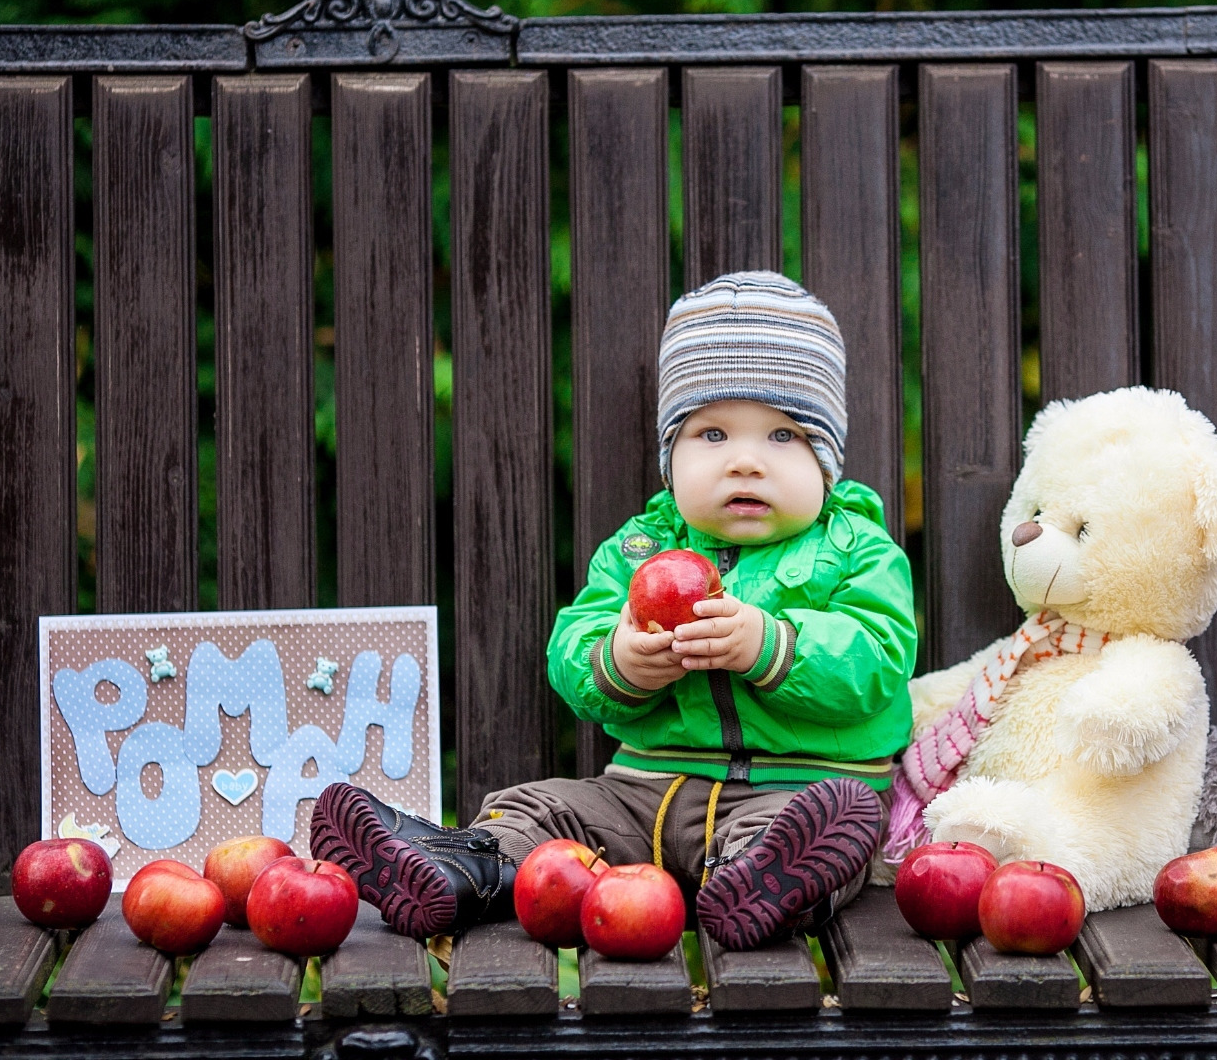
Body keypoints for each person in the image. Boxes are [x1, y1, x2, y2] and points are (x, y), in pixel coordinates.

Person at [311, 271, 918, 949]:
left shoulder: (859, 548)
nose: (746, 462)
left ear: (827, 458)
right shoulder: (640, 550)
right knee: (546, 808)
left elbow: (881, 657)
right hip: (641, 795)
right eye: (711, 434)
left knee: (825, 827)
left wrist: (770, 644)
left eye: (783, 436)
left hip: (791, 791)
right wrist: (620, 661)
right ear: (671, 456)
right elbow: (573, 648)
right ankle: (458, 867)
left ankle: (756, 885)